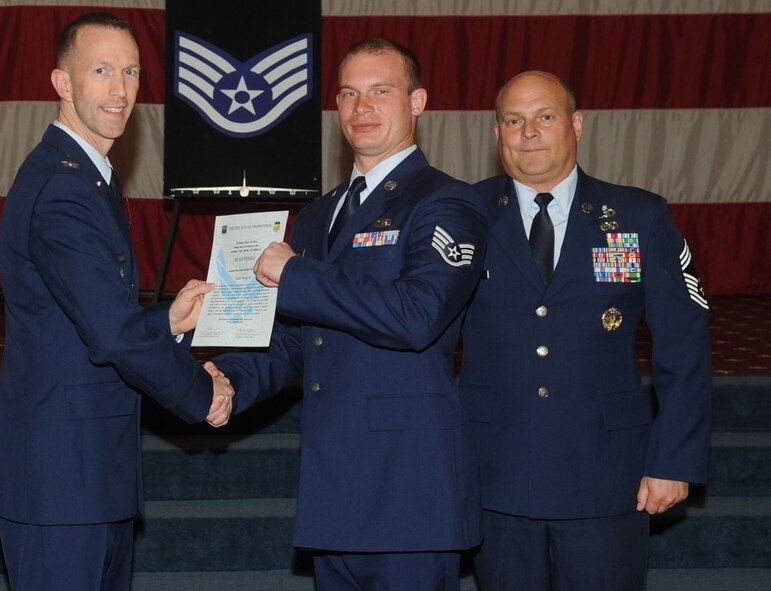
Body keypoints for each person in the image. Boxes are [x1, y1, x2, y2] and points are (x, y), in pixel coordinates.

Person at [205, 38, 487, 590]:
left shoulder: (446, 202)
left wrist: (298, 275)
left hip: (410, 493)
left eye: (382, 91)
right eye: (349, 93)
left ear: (419, 101)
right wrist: (229, 380)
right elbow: (293, 341)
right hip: (333, 490)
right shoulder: (316, 216)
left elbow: (418, 315)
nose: (362, 108)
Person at [0, 12, 233, 591]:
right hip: (61, 484)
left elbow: (82, 318)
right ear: (62, 83)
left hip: (88, 477)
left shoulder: (86, 178)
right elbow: (112, 334)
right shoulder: (64, 186)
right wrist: (202, 394)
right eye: (100, 71)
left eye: (131, 71)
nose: (120, 90)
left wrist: (166, 321)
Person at [459, 70, 712, 590]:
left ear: (576, 124)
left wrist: (674, 459)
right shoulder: (462, 214)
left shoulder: (639, 217)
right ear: (496, 133)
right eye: (514, 120)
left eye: (545, 117)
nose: (529, 132)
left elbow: (684, 346)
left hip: (608, 476)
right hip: (494, 472)